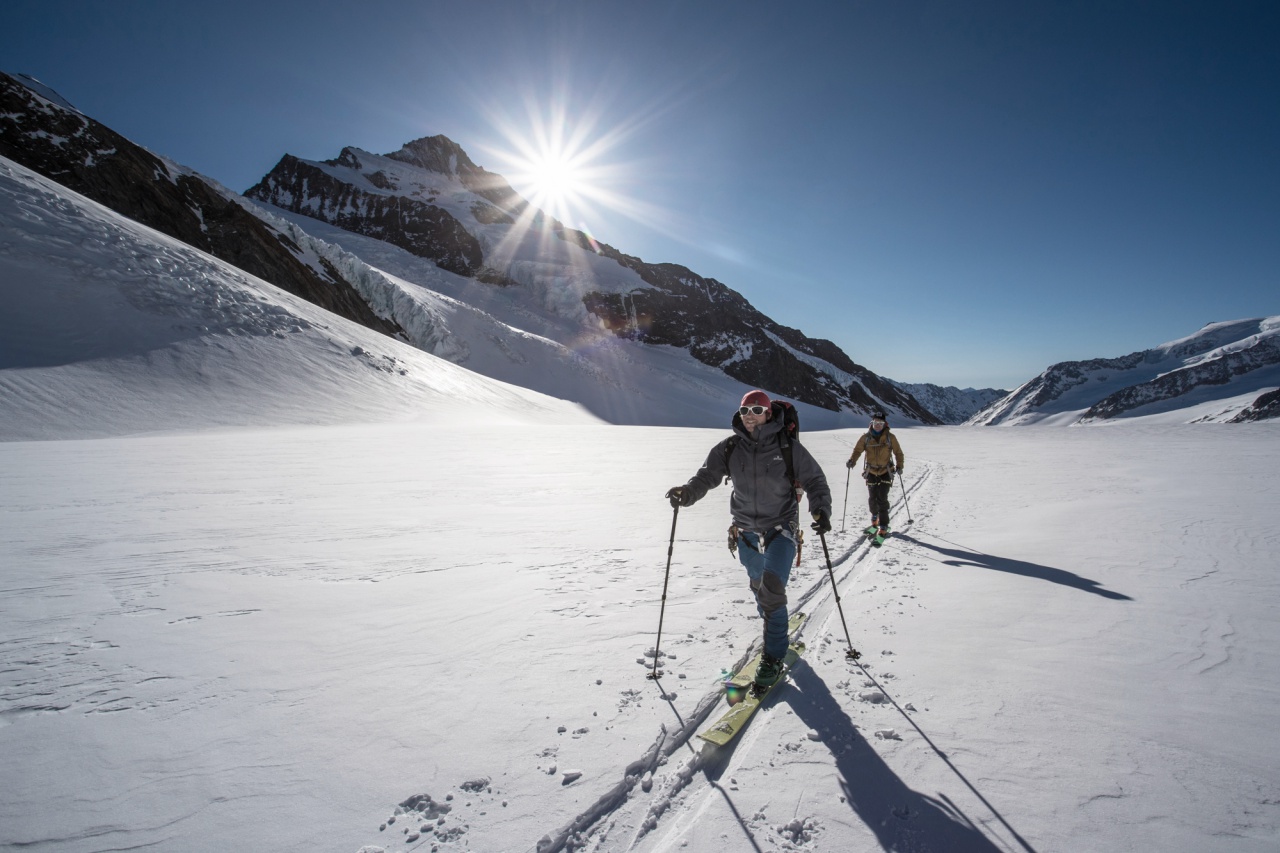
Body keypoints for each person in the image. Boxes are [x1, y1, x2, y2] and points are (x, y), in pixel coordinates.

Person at [665, 390, 832, 689]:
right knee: (758, 584)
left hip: (780, 527)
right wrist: (688, 493)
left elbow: (815, 480)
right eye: (745, 410)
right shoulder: (730, 448)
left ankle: (773, 655)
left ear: (769, 413)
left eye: (756, 409)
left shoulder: (788, 448)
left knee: (771, 587)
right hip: (744, 530)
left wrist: (820, 509)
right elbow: (707, 476)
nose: (750, 415)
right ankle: (773, 621)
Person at [846, 409, 905, 538]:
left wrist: (900, 466)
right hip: (871, 471)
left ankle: (883, 525)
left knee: (882, 498)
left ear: (885, 424)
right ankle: (874, 515)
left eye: (880, 423)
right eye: (875, 422)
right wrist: (852, 461)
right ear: (871, 423)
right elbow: (857, 450)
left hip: (885, 471)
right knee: (872, 498)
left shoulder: (890, 437)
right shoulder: (866, 438)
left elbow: (898, 453)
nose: (877, 425)